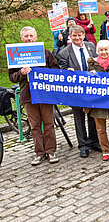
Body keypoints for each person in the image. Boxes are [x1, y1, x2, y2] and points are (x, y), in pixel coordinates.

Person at [9, 27, 60, 165]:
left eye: (31, 35)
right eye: (26, 36)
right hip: (28, 95)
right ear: (22, 38)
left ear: (36, 37)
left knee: (49, 123)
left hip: (45, 94)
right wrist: (21, 73)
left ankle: (51, 151)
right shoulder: (16, 55)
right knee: (35, 125)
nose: (29, 38)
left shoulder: (45, 53)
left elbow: (56, 70)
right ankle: (39, 153)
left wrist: (42, 73)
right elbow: (12, 77)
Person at [58, 25, 100, 158]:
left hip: (92, 89)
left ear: (83, 35)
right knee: (79, 118)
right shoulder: (64, 53)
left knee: (93, 116)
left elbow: (99, 63)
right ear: (70, 36)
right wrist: (66, 72)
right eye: (74, 35)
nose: (77, 38)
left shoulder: (91, 47)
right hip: (75, 91)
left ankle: (94, 141)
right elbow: (61, 73)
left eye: (79, 35)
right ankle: (83, 145)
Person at [86, 40, 109, 161]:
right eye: (101, 50)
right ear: (98, 51)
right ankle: (105, 150)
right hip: (98, 101)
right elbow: (86, 80)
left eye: (106, 49)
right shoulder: (92, 64)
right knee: (100, 128)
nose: (104, 52)